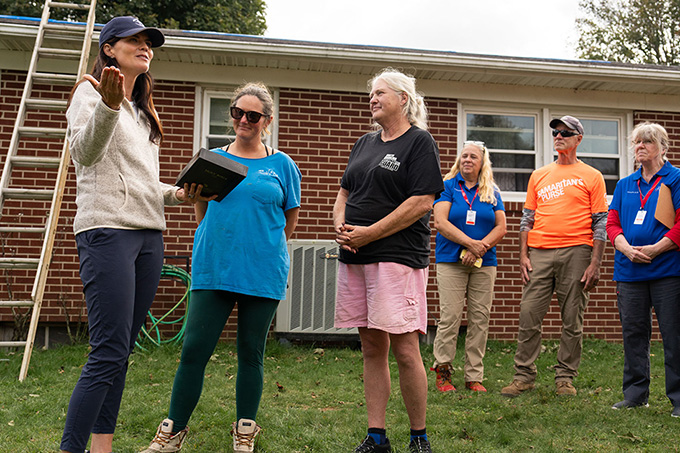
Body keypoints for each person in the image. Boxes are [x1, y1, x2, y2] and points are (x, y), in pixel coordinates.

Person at [142, 82, 301, 453]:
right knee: (194, 350)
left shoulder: (283, 165)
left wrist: (262, 244)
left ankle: (245, 429)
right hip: (214, 268)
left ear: (267, 120)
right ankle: (173, 431)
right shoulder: (212, 160)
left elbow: (288, 219)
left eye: (253, 115)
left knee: (250, 352)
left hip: (263, 272)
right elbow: (202, 210)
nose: (243, 120)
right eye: (237, 112)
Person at [60, 16, 193, 453]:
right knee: (107, 352)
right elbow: (83, 152)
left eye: (147, 42)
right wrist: (108, 106)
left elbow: (142, 182)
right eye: (132, 41)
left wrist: (178, 192)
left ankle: (102, 447)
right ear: (109, 50)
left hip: (148, 236)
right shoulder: (90, 93)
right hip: (107, 231)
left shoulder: (142, 112)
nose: (144, 47)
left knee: (120, 355)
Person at [333, 68, 443, 453]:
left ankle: (419, 437)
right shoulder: (364, 143)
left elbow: (421, 202)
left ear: (403, 100)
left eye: (381, 93)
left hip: (396, 259)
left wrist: (370, 232)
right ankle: (376, 436)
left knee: (405, 349)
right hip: (356, 256)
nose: (373, 99)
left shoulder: (419, 142)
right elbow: (345, 191)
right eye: (371, 94)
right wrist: (342, 225)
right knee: (371, 348)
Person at [500, 115, 608, 398]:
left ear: (578, 139)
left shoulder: (593, 176)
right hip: (539, 252)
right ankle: (523, 376)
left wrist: (595, 263)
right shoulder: (539, 175)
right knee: (528, 313)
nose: (558, 137)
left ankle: (565, 378)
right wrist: (523, 256)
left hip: (578, 251)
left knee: (572, 317)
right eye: (556, 133)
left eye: (565, 133)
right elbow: (527, 219)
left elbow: (600, 221)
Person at [606, 122, 680, 417]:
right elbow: (612, 224)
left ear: (663, 147)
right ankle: (636, 394)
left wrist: (655, 249)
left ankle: (678, 398)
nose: (640, 147)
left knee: (674, 336)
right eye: (637, 142)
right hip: (629, 272)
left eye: (647, 142)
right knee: (633, 334)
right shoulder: (625, 184)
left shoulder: (675, 179)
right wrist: (624, 247)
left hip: (667, 271)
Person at [430, 141, 506, 393]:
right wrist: (471, 244)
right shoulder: (447, 187)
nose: (467, 160)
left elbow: (501, 227)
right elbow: (440, 222)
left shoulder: (491, 191)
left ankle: (474, 376)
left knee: (480, 319)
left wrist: (479, 248)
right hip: (451, 260)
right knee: (450, 317)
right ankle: (443, 372)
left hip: (484, 263)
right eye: (464, 156)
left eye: (473, 157)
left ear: (482, 162)